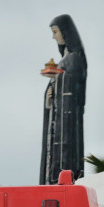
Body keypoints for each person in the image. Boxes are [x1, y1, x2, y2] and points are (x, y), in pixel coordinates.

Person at [40, 14, 87, 185]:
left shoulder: (73, 58)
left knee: (62, 160)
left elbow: (72, 82)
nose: (54, 37)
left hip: (66, 121)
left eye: (55, 32)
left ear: (65, 32)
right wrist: (49, 97)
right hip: (57, 117)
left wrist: (58, 79)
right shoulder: (64, 60)